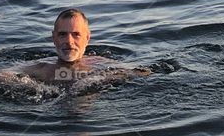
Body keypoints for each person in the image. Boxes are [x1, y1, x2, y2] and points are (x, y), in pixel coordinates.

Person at [13, 8, 153, 86]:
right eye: (62, 34)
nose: (69, 41)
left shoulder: (102, 64)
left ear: (87, 38)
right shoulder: (41, 68)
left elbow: (143, 72)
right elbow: (4, 76)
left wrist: (103, 78)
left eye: (76, 35)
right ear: (54, 38)